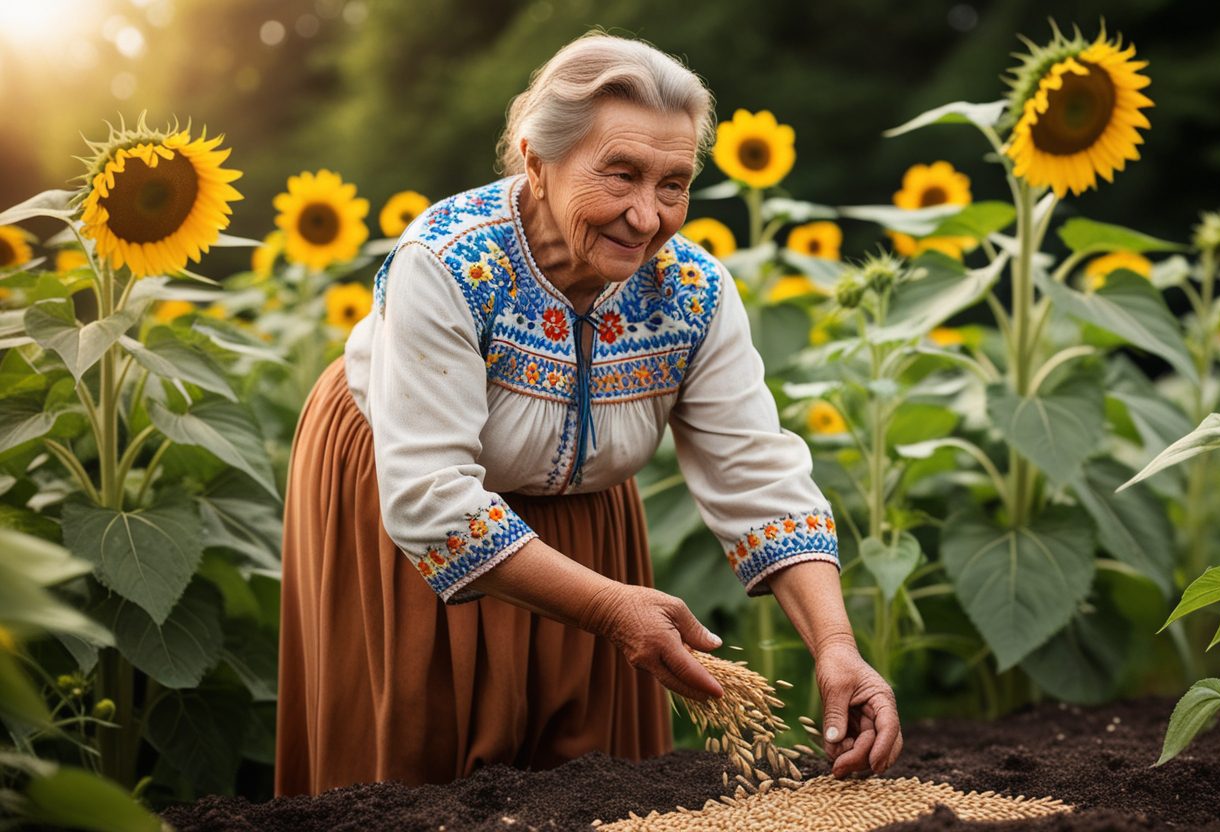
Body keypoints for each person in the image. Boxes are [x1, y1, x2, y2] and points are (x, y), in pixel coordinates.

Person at [275, 31, 902, 797]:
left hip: (587, 518)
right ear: (537, 161)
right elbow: (429, 498)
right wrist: (609, 607)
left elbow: (758, 471)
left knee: (592, 781)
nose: (647, 217)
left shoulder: (693, 293)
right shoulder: (445, 265)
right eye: (621, 175)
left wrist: (836, 646)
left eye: (674, 184)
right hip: (402, 493)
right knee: (425, 768)